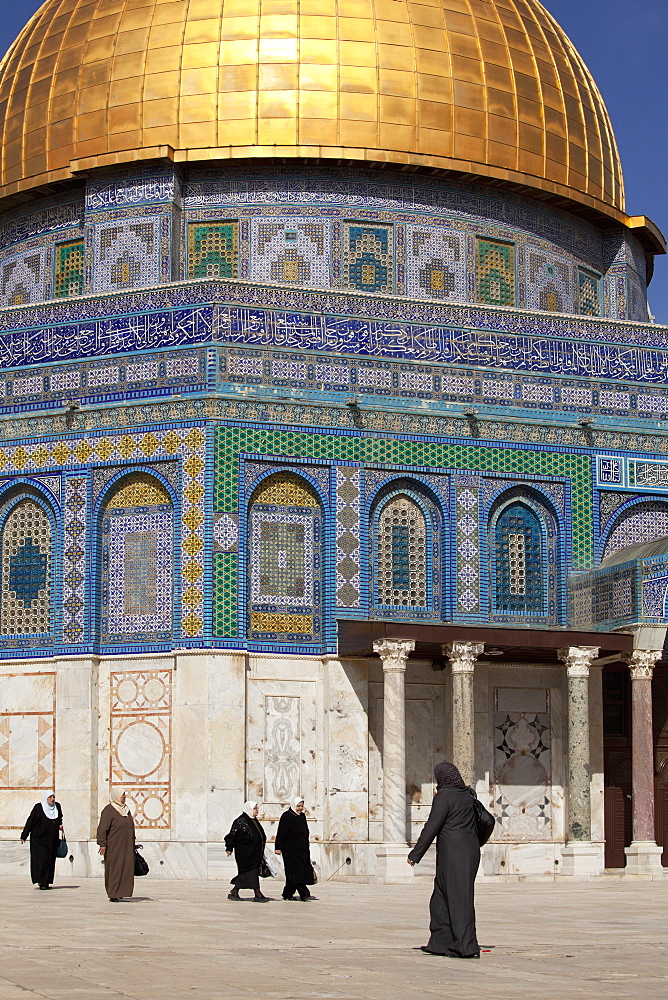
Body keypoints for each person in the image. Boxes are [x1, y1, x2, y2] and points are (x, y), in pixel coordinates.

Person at [407, 761, 480, 959]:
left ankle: (465, 946)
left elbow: (432, 827)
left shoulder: (444, 797)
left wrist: (415, 854)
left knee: (458, 899)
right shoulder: (467, 794)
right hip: (469, 852)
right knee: (440, 898)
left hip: (454, 854)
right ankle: (440, 943)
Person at [225, 801, 269, 901]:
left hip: (254, 853)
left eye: (257, 808)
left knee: (246, 874)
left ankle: (235, 891)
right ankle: (257, 894)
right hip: (245, 854)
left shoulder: (253, 820)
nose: (257, 810)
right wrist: (229, 848)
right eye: (255, 808)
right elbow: (232, 835)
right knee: (251, 872)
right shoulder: (241, 821)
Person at [97, 789, 135, 902]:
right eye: (122, 794)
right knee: (114, 868)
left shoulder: (126, 810)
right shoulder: (109, 810)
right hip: (114, 846)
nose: (124, 796)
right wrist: (102, 844)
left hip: (126, 845)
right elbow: (102, 829)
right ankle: (113, 893)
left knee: (125, 868)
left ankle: (122, 891)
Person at [274, 796, 315, 901]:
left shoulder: (302, 816)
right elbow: (281, 833)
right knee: (296, 872)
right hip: (290, 850)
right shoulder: (287, 816)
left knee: (294, 873)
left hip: (302, 850)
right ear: (293, 805)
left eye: (301, 806)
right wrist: (278, 847)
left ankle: (287, 893)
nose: (300, 808)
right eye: (298, 806)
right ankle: (304, 893)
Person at [20, 792, 63, 889]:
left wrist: (59, 824)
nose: (52, 799)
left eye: (53, 797)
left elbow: (59, 817)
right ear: (46, 798)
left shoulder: (57, 807)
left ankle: (47, 882)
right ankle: (41, 882)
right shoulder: (38, 808)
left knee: (50, 860)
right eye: (50, 797)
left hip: (52, 839)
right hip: (39, 840)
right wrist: (24, 835)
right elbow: (30, 821)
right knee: (41, 860)